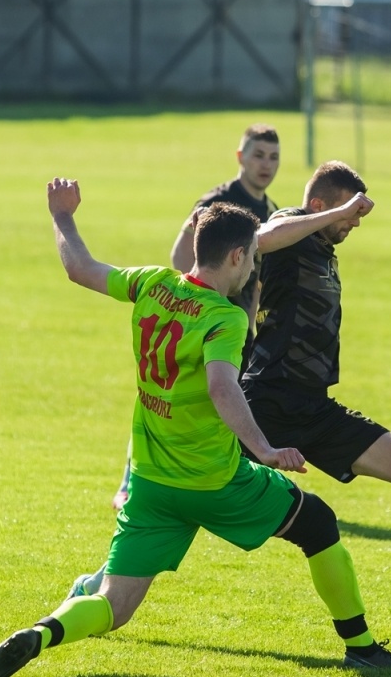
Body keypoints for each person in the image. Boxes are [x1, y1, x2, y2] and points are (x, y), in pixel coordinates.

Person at [0, 180, 391, 677]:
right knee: (319, 524)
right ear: (238, 256)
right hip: (214, 480)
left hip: (152, 484)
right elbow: (222, 387)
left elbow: (79, 269)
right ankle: (363, 648)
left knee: (116, 602)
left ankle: (42, 633)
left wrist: (62, 216)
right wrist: (263, 448)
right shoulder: (224, 318)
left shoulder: (153, 284)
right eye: (252, 259)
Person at [77, 161, 391, 614]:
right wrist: (334, 214)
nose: (354, 221)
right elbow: (262, 237)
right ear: (318, 205)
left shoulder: (322, 249)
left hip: (312, 406)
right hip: (267, 400)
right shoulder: (290, 227)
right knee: (191, 497)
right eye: (347, 211)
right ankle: (95, 587)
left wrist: (341, 215)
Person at [109, 123, 282, 511]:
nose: (265, 164)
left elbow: (257, 280)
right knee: (167, 398)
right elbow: (180, 260)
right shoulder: (218, 202)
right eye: (258, 155)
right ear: (240, 157)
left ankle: (219, 482)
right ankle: (130, 483)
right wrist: (198, 303)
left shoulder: (270, 210)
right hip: (200, 320)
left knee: (207, 402)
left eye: (273, 157)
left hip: (235, 325)